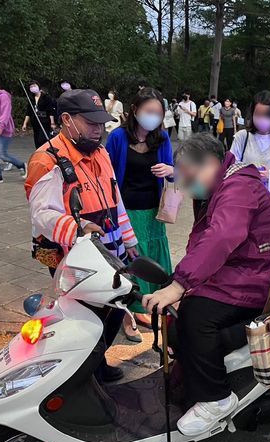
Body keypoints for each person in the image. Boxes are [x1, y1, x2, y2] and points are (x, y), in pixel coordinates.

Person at [142, 133, 270, 436]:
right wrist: (183, 282)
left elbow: (221, 237)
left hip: (259, 276)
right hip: (240, 270)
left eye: (188, 177)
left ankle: (216, 398)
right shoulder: (218, 187)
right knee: (179, 310)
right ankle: (193, 379)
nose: (185, 185)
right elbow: (204, 244)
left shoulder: (238, 187)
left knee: (196, 313)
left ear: (211, 164)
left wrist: (181, 284)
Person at [24, 89, 139, 382]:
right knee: (85, 317)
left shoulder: (100, 153)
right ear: (66, 120)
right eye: (91, 122)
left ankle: (95, 364)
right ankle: (79, 374)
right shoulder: (45, 160)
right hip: (74, 254)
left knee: (114, 307)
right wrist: (78, 228)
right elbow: (42, 214)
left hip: (110, 248)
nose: (98, 129)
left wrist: (130, 239)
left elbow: (116, 200)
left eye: (101, 123)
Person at [105, 88, 174, 342]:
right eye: (149, 112)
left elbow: (176, 175)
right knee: (130, 262)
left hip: (154, 212)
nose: (153, 117)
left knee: (152, 261)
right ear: (135, 110)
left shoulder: (163, 138)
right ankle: (127, 315)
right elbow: (107, 176)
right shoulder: (118, 138)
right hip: (127, 211)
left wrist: (169, 170)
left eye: (158, 113)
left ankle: (145, 306)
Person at [230, 90, 270, 217]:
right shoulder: (241, 138)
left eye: (267, 115)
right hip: (243, 206)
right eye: (258, 114)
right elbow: (230, 168)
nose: (263, 119)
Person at [0, 74, 26, 184]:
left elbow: (5, 113)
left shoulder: (4, 96)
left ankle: (22, 165)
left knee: (1, 154)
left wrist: (1, 126)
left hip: (4, 129)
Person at [22, 80, 57, 149]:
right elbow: (28, 112)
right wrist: (25, 123)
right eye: (31, 87)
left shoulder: (46, 97)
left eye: (34, 86)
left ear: (38, 86)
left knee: (43, 139)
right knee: (37, 140)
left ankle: (45, 153)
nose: (33, 88)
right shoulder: (31, 98)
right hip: (35, 122)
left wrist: (52, 123)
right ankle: (39, 153)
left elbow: (50, 111)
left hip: (45, 122)